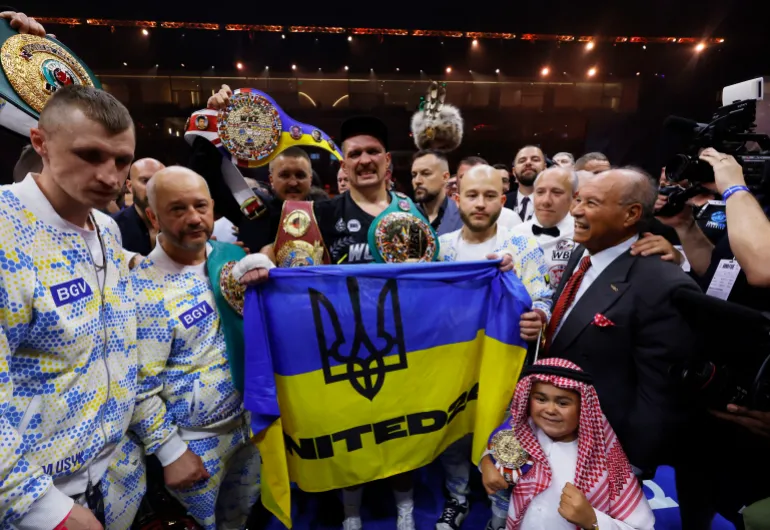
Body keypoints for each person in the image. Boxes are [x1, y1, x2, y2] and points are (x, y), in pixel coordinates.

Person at [0, 85, 138, 530]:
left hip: (115, 482)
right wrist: (41, 508)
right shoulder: (4, 231)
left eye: (121, 160)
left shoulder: (107, 229)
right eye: (90, 155)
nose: (111, 176)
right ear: (40, 142)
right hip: (36, 503)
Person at [544, 168, 700, 473]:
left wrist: (631, 466)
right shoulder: (583, 251)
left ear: (631, 214)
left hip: (604, 451)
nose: (575, 211)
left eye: (591, 203)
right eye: (577, 200)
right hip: (556, 430)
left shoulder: (663, 284)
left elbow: (658, 396)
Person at [132, 167, 262, 530]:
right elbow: (138, 387)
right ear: (152, 216)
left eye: (200, 206)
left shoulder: (232, 259)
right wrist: (171, 452)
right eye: (177, 209)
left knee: (243, 521)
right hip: (194, 445)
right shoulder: (142, 288)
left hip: (249, 430)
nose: (193, 218)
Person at [434, 164, 551, 530]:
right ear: (457, 199)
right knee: (452, 432)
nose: (480, 204)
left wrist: (539, 318)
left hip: (504, 369)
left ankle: (501, 512)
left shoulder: (520, 245)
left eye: (489, 196)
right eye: (472, 195)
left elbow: (543, 297)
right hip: (452, 368)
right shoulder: (440, 250)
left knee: (505, 435)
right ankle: (457, 498)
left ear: (503, 200)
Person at [480, 358, 655, 530]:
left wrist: (592, 520)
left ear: (583, 407)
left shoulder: (605, 458)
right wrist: (487, 463)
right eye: (541, 399)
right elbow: (497, 448)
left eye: (563, 403)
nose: (550, 410)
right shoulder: (523, 432)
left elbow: (640, 527)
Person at [509, 166, 577, 288]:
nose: (546, 201)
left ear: (574, 197)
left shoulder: (582, 237)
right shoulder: (515, 234)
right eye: (540, 192)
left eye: (557, 193)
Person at [113, 158, 165, 256]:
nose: (154, 187)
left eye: (160, 180)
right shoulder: (112, 227)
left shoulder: (181, 223)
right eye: (145, 181)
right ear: (130, 186)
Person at [411, 149, 463, 236]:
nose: (417, 181)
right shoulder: (406, 215)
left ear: (445, 177)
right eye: (414, 175)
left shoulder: (462, 216)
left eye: (426, 173)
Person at [507, 146, 546, 221]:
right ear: (514, 172)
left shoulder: (556, 202)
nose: (528, 162)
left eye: (535, 159)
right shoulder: (501, 202)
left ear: (545, 168)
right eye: (522, 161)